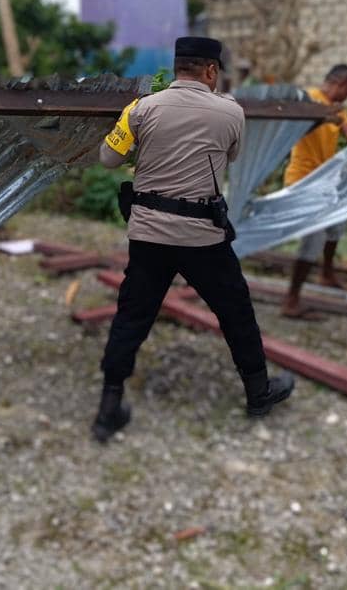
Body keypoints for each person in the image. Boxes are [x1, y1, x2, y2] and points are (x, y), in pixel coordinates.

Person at [91, 36, 296, 442]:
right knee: (236, 311)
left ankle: (108, 407)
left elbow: (107, 158)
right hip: (203, 236)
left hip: (149, 233)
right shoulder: (230, 112)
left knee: (132, 317)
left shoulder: (142, 108)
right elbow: (231, 155)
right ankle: (258, 391)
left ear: (178, 67)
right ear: (211, 71)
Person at [280, 63, 347, 320]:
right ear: (341, 85)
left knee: (338, 223)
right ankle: (291, 300)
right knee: (314, 239)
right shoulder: (309, 99)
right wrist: (327, 113)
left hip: (324, 180)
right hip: (301, 180)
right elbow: (299, 124)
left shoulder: (339, 109)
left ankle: (326, 274)